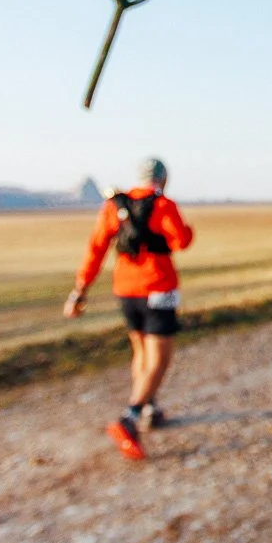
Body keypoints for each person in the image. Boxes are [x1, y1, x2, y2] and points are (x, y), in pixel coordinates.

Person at [64, 157, 194, 460]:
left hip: (125, 290)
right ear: (163, 178)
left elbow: (96, 249)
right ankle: (130, 417)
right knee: (159, 359)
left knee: (141, 352)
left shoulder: (114, 206)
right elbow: (181, 241)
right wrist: (186, 231)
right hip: (158, 288)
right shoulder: (163, 205)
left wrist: (79, 290)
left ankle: (149, 407)